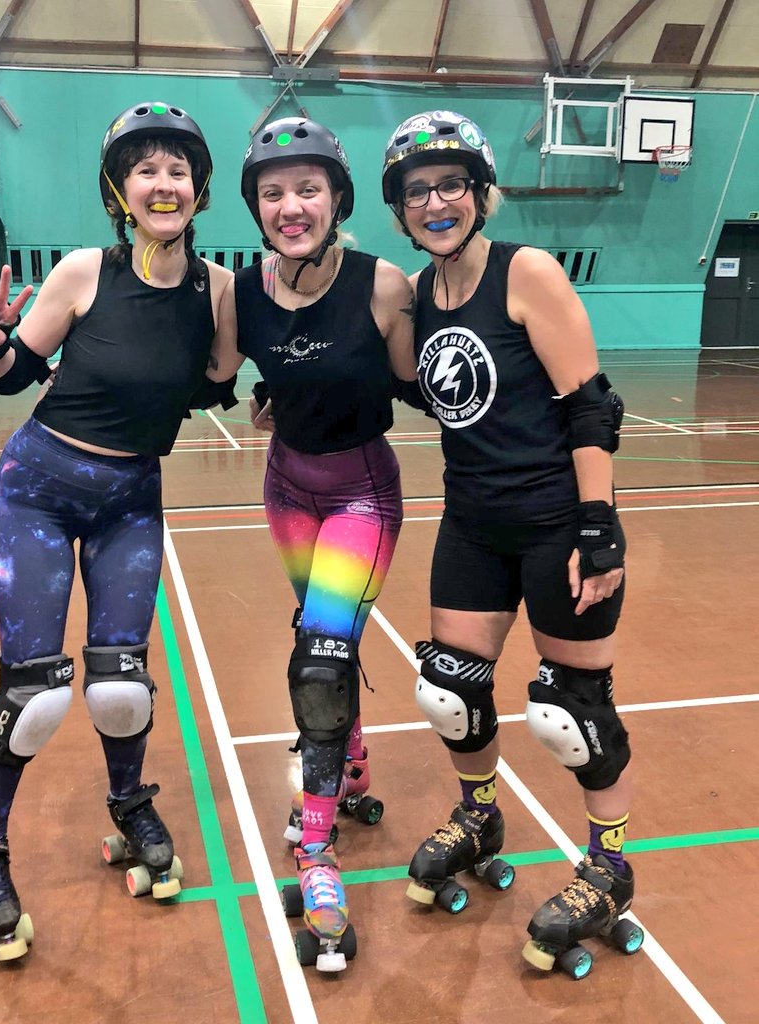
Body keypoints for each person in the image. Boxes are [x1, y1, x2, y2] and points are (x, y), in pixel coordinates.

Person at [0, 101, 234, 962]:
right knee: (33, 694)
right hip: (40, 486)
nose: (164, 183)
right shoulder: (83, 272)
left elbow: (219, 383)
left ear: (200, 189)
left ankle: (129, 802)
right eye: (146, 169)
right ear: (119, 189)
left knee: (122, 687)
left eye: (178, 169)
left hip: (129, 499)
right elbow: (7, 377)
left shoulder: (217, 289)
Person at [381, 110, 643, 975]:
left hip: (554, 525)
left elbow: (588, 404)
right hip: (473, 523)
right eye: (418, 192)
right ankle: (481, 813)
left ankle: (607, 867)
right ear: (401, 211)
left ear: (481, 193)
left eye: (452, 184)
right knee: (450, 693)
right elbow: (436, 392)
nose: (436, 202)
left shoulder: (525, 272)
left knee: (574, 710)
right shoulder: (421, 297)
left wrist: (598, 524)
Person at [207, 117, 420, 971]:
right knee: (323, 632)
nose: (291, 206)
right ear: (257, 209)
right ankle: (353, 763)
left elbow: (419, 382)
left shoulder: (383, 284)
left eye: (307, 189)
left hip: (363, 492)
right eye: (273, 193)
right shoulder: (241, 295)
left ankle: (318, 850)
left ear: (336, 199)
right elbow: (214, 378)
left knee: (323, 662)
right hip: (286, 488)